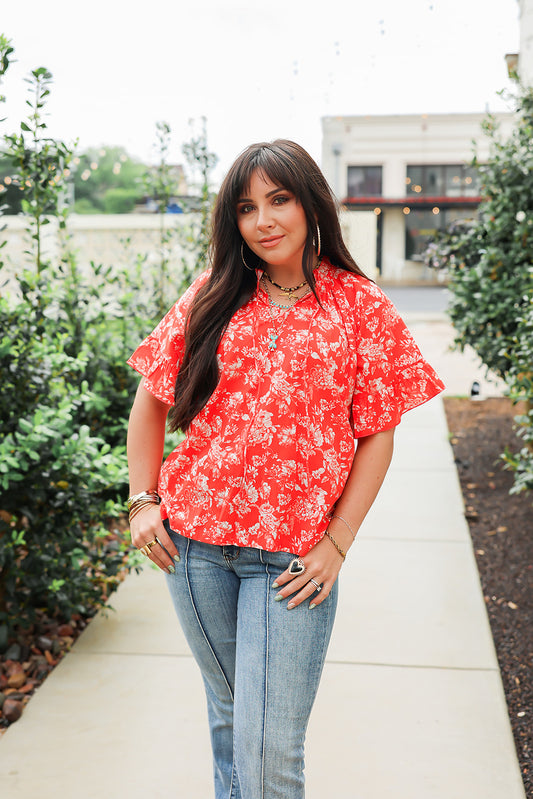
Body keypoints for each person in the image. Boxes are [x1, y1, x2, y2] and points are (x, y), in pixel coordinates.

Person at [126, 139, 445, 799]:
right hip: (195, 551)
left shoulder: (358, 304)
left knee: (269, 750)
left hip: (292, 564)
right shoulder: (212, 295)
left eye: (279, 199)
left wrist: (337, 541)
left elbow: (376, 435)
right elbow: (149, 405)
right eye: (247, 207)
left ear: (309, 203)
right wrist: (142, 501)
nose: (264, 219)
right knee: (230, 720)